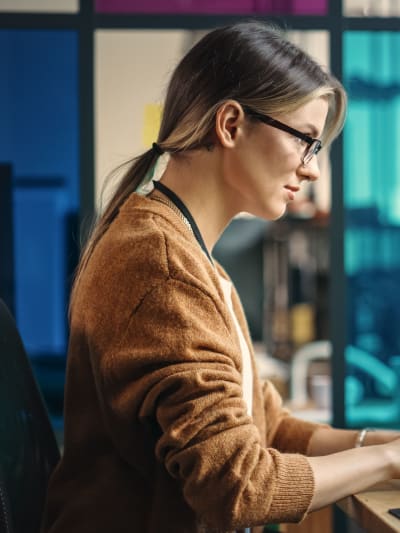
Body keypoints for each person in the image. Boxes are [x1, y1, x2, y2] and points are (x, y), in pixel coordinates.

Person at [42, 21, 400, 533]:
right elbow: (240, 488)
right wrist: (388, 464)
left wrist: (380, 443)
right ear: (230, 125)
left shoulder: (188, 253)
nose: (313, 170)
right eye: (305, 140)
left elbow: (268, 425)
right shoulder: (162, 265)